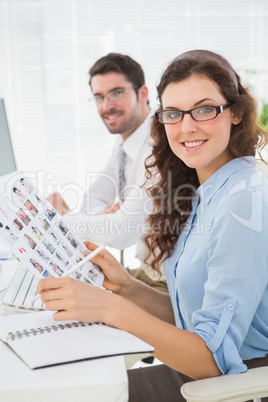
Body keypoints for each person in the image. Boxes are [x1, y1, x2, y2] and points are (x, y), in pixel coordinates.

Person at [37, 49, 268, 401]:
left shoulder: (245, 199)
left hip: (231, 383)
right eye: (174, 113)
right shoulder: (206, 190)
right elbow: (190, 317)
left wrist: (109, 309)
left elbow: (214, 361)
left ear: (235, 112)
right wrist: (127, 287)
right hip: (200, 372)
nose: (187, 126)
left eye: (205, 109)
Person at [48, 53, 167, 292]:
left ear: (142, 94)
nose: (107, 105)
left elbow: (121, 233)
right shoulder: (124, 145)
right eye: (99, 97)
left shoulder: (157, 146)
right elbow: (95, 198)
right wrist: (103, 220)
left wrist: (64, 219)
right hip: (146, 274)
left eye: (116, 93)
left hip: (166, 286)